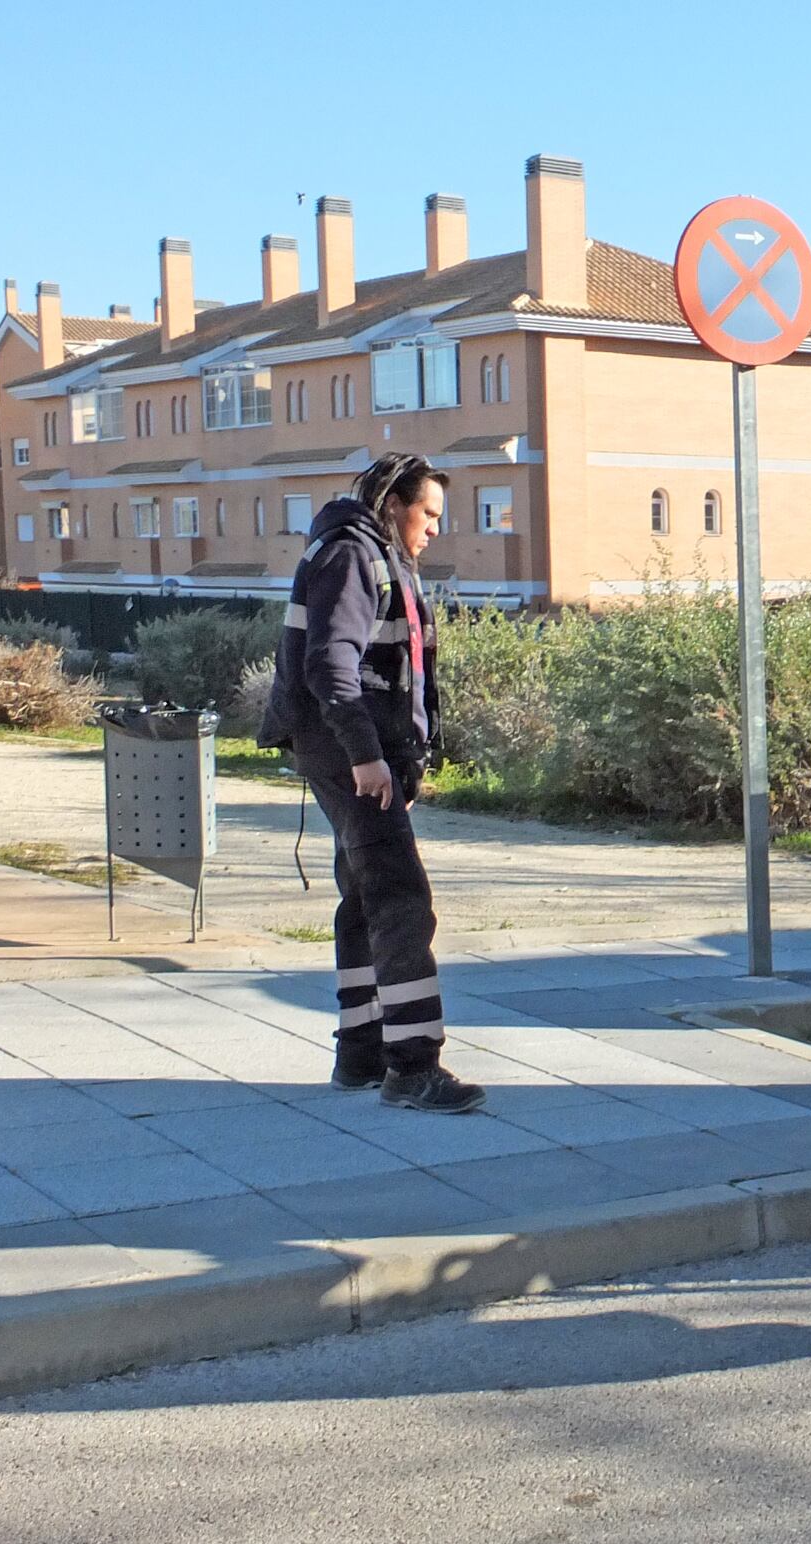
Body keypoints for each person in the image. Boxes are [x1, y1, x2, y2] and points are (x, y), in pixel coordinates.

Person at [258, 454, 485, 1114]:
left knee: (363, 896)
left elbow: (394, 674)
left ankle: (360, 1054)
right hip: (348, 753)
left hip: (357, 752)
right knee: (401, 896)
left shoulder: (372, 554)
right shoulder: (354, 555)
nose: (435, 529)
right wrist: (366, 757)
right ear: (394, 504)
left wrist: (403, 757)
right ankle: (414, 1067)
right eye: (429, 513)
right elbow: (331, 665)